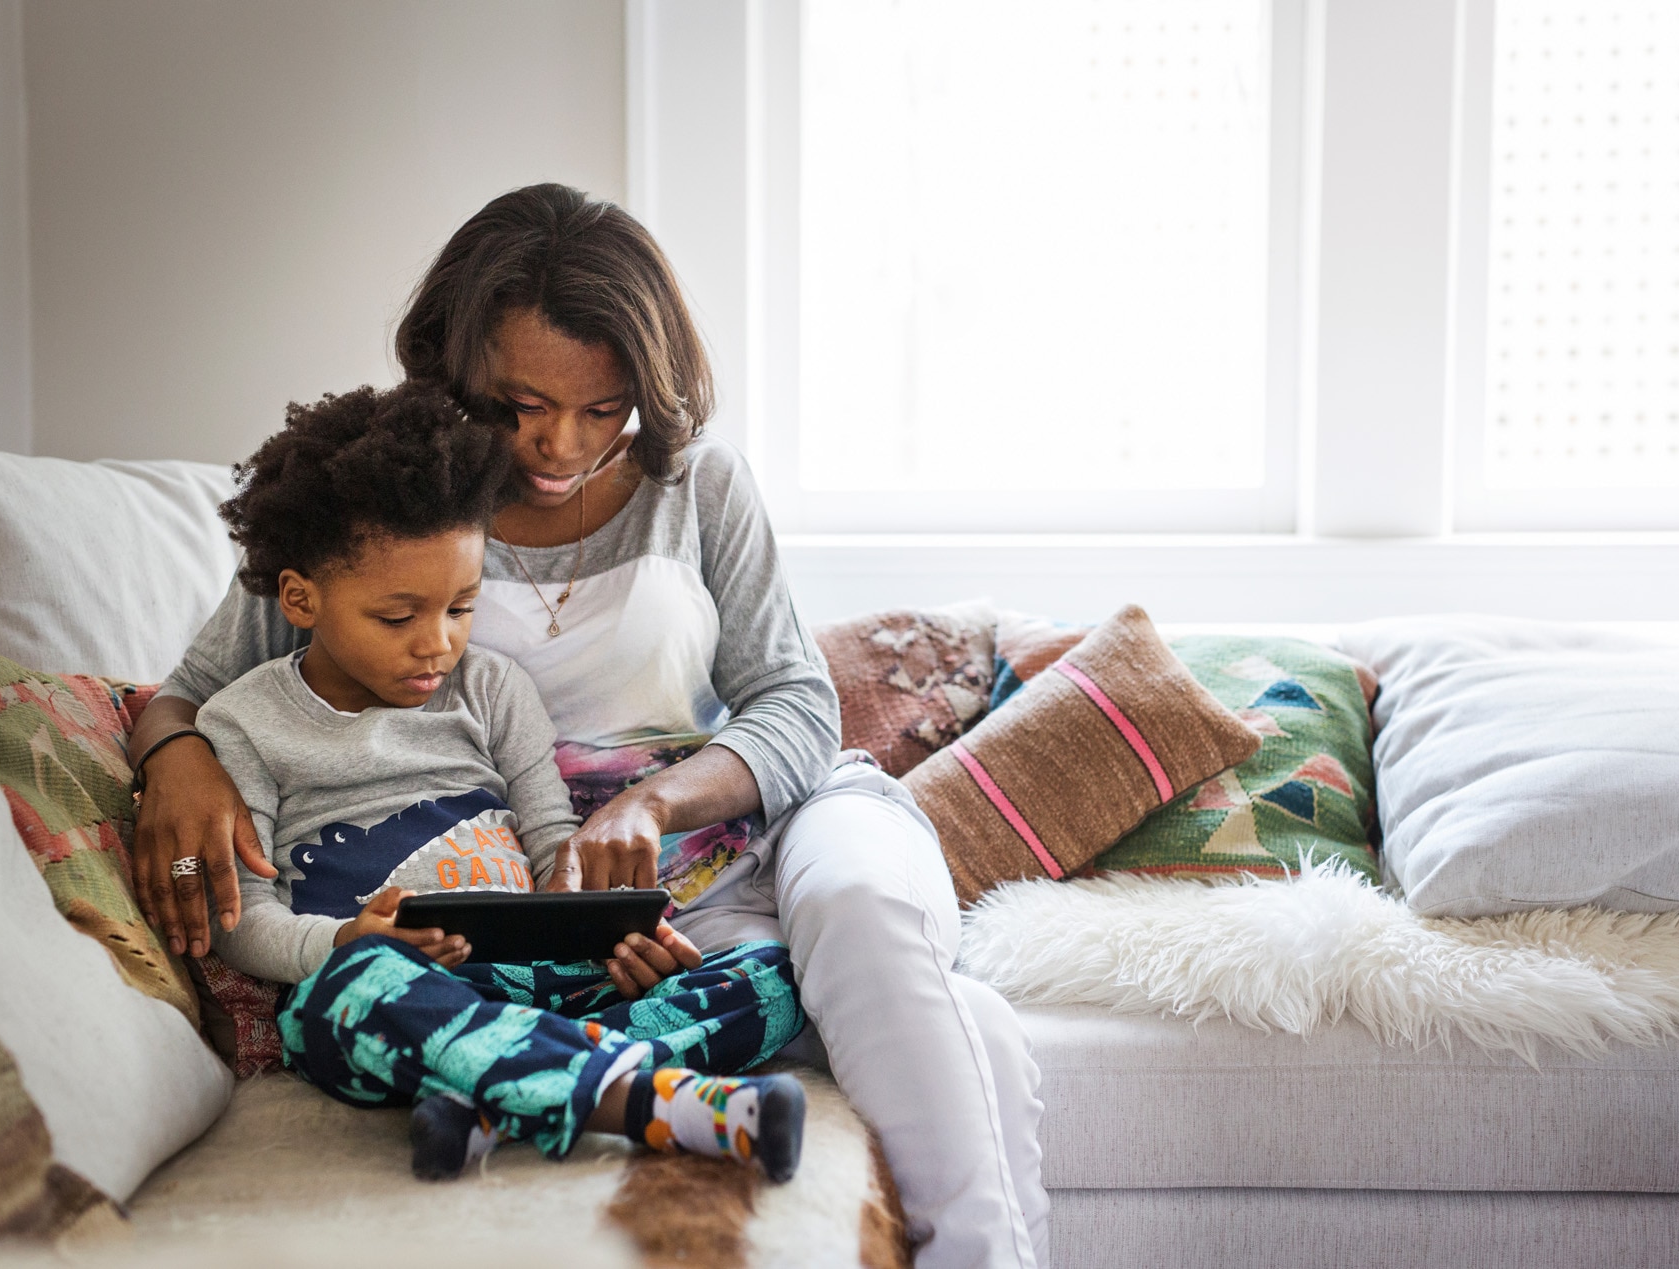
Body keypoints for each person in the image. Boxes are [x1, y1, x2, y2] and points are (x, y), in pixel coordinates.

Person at [129, 184, 1047, 1268]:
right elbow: (184, 693)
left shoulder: (697, 485)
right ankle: (567, 1074)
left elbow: (797, 706)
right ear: (456, 369)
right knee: (949, 1024)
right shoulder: (387, 493)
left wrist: (658, 803)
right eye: (518, 404)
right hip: (557, 909)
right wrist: (175, 755)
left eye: (602, 408)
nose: (558, 445)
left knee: (854, 908)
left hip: (751, 823)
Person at [191, 381, 806, 1183]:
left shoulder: (491, 688)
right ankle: (658, 1102)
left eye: (462, 607)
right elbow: (242, 919)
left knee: (776, 975)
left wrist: (606, 931)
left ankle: (498, 1096)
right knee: (338, 1002)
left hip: (534, 977)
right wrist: (342, 941)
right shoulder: (245, 723)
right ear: (301, 599)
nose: (437, 644)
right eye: (397, 616)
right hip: (401, 983)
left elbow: (554, 844)